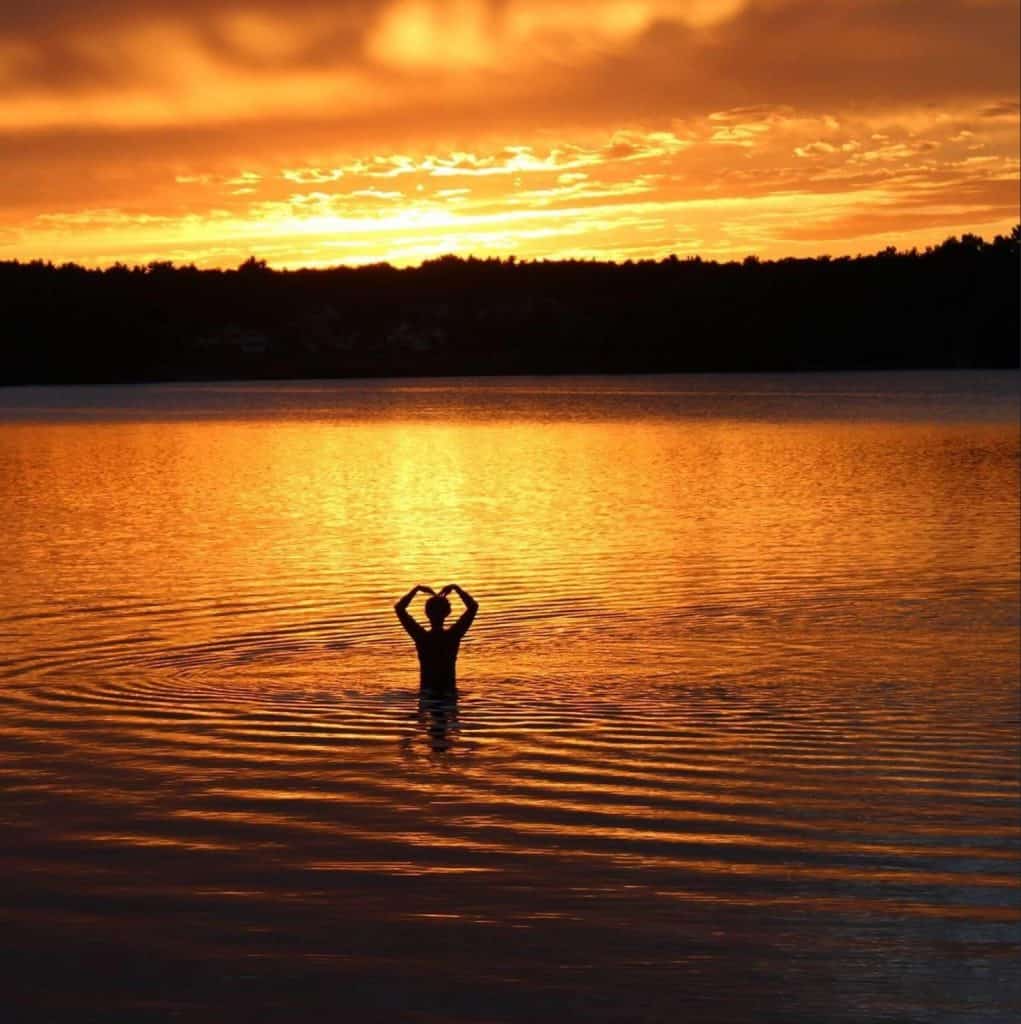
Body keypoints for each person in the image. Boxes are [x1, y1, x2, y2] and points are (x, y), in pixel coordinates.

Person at [394, 583, 478, 693]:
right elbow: (473, 607)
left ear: (426, 613)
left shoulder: (421, 637)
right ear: (448, 612)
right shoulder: (453, 636)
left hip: (426, 691)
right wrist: (456, 588)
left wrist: (416, 590)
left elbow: (399, 608)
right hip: (449, 692)